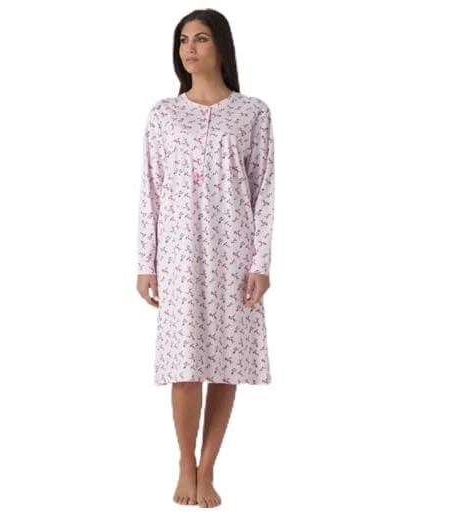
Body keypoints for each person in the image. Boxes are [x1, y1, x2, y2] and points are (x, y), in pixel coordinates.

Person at [136, 8, 275, 508]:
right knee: (184, 362)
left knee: (225, 362)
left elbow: (264, 189)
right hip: (178, 252)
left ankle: (208, 467)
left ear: (221, 47)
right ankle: (184, 463)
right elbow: (150, 190)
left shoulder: (253, 112)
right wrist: (146, 262)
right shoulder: (163, 114)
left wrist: (260, 263)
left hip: (233, 253)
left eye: (200, 39)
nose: (190, 49)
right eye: (183, 40)